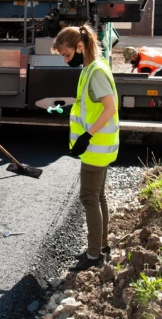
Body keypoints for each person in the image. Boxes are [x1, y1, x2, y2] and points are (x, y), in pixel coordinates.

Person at [51, 24, 119, 271]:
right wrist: (61, 108)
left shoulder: (96, 72)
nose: (66, 60)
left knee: (89, 197)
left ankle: (93, 256)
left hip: (96, 146)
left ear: (79, 47)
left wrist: (86, 137)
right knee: (97, 196)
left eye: (67, 54)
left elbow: (109, 108)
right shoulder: (90, 68)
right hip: (99, 145)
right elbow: (87, 106)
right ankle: (100, 247)